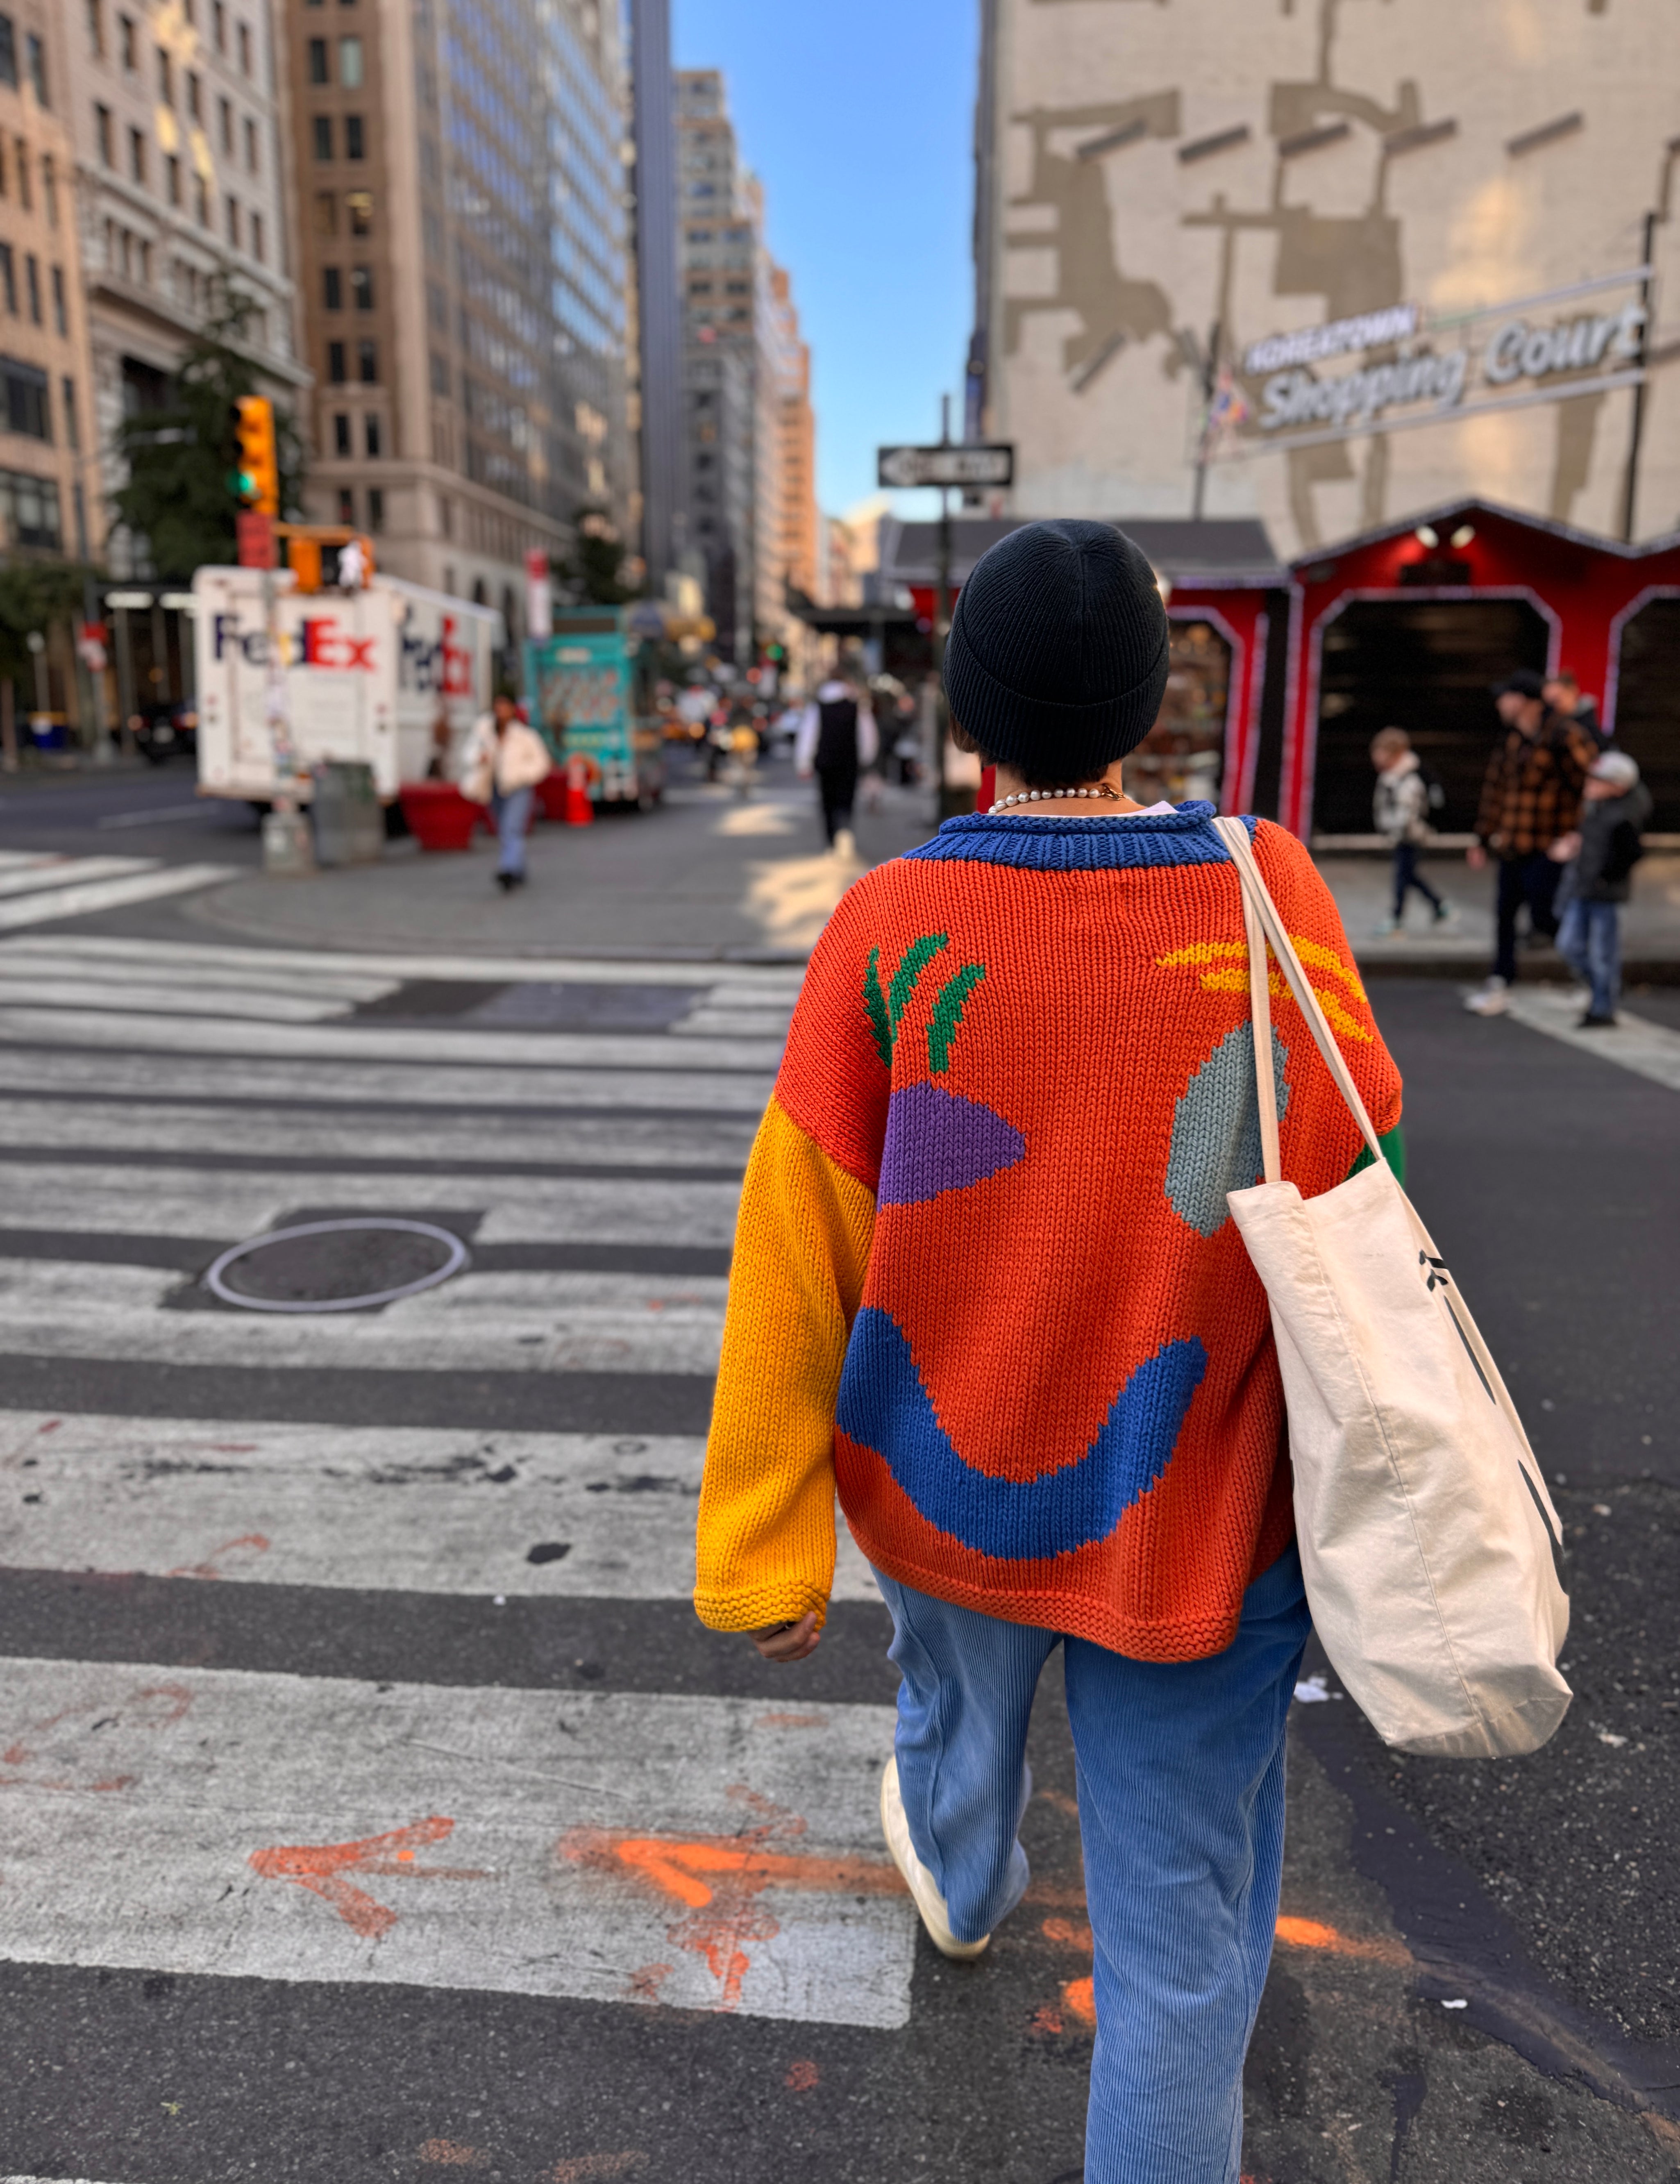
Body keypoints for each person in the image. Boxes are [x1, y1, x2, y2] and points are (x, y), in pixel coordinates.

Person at [695, 519, 1403, 2184]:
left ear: (964, 718)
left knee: (954, 1710)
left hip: (943, 1491)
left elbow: (796, 1252)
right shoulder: (1264, 884)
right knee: (1176, 1946)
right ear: (1148, 708)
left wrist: (760, 1552)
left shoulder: (885, 923)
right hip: (1197, 1511)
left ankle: (960, 1883)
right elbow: (1358, 1121)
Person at [1464, 668, 1597, 1017]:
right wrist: (1481, 838)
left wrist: (1577, 835)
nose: (1499, 704)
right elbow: (1495, 792)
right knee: (1504, 916)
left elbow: (1591, 786)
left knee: (1548, 917)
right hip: (1513, 845)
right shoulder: (1512, 741)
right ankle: (1500, 981)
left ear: (1523, 701)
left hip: (1549, 847)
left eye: (1505, 697)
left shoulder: (1565, 736)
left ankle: (1588, 978)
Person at [1551, 749, 1652, 1027]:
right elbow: (1593, 843)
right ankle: (1603, 988)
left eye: (1598, 780)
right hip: (1584, 887)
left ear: (1617, 787)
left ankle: (1603, 1006)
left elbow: (1631, 853)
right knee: (1569, 945)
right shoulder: (1597, 808)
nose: (1590, 785)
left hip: (1603, 892)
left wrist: (1605, 877)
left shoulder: (1621, 817)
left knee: (1603, 952)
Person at [459, 691, 552, 892]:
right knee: (505, 829)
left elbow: (541, 763)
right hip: (493, 787)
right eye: (497, 706)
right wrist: (479, 758)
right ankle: (518, 867)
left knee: (512, 828)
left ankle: (508, 869)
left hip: (518, 788)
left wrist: (522, 775)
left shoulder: (524, 735)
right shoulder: (484, 730)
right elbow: (467, 753)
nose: (500, 711)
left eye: (504, 706)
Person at [1369, 726, 1451, 934]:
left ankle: (1397, 918)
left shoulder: (1408, 779)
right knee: (1409, 876)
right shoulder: (1391, 776)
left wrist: (1396, 830)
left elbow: (1407, 812)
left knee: (1402, 877)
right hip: (1402, 835)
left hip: (1410, 836)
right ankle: (1438, 905)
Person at [795, 674, 879, 857]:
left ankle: (831, 841)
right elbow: (868, 735)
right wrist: (866, 758)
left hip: (825, 763)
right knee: (847, 800)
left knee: (827, 802)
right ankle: (845, 832)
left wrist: (804, 764)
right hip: (850, 762)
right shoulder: (856, 707)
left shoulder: (817, 708)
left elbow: (808, 737)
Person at [1542, 667, 1605, 745]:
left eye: (1557, 699)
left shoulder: (1587, 718)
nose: (1554, 706)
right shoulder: (1550, 720)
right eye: (1550, 703)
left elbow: (1599, 744)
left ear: (1572, 691)